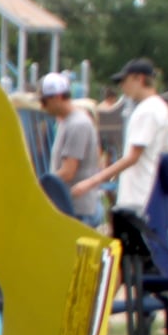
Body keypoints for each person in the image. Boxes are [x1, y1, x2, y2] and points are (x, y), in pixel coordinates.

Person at [72, 57, 168, 224]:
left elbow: (132, 157)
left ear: (139, 79)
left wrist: (92, 181)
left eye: (124, 81)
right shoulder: (161, 107)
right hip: (153, 196)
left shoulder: (147, 111)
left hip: (138, 197)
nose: (121, 86)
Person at [39, 72, 103, 226]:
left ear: (58, 97)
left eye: (44, 101)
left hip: (78, 211)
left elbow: (68, 172)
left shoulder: (77, 124)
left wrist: (38, 187)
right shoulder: (66, 122)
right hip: (69, 208)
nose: (42, 106)